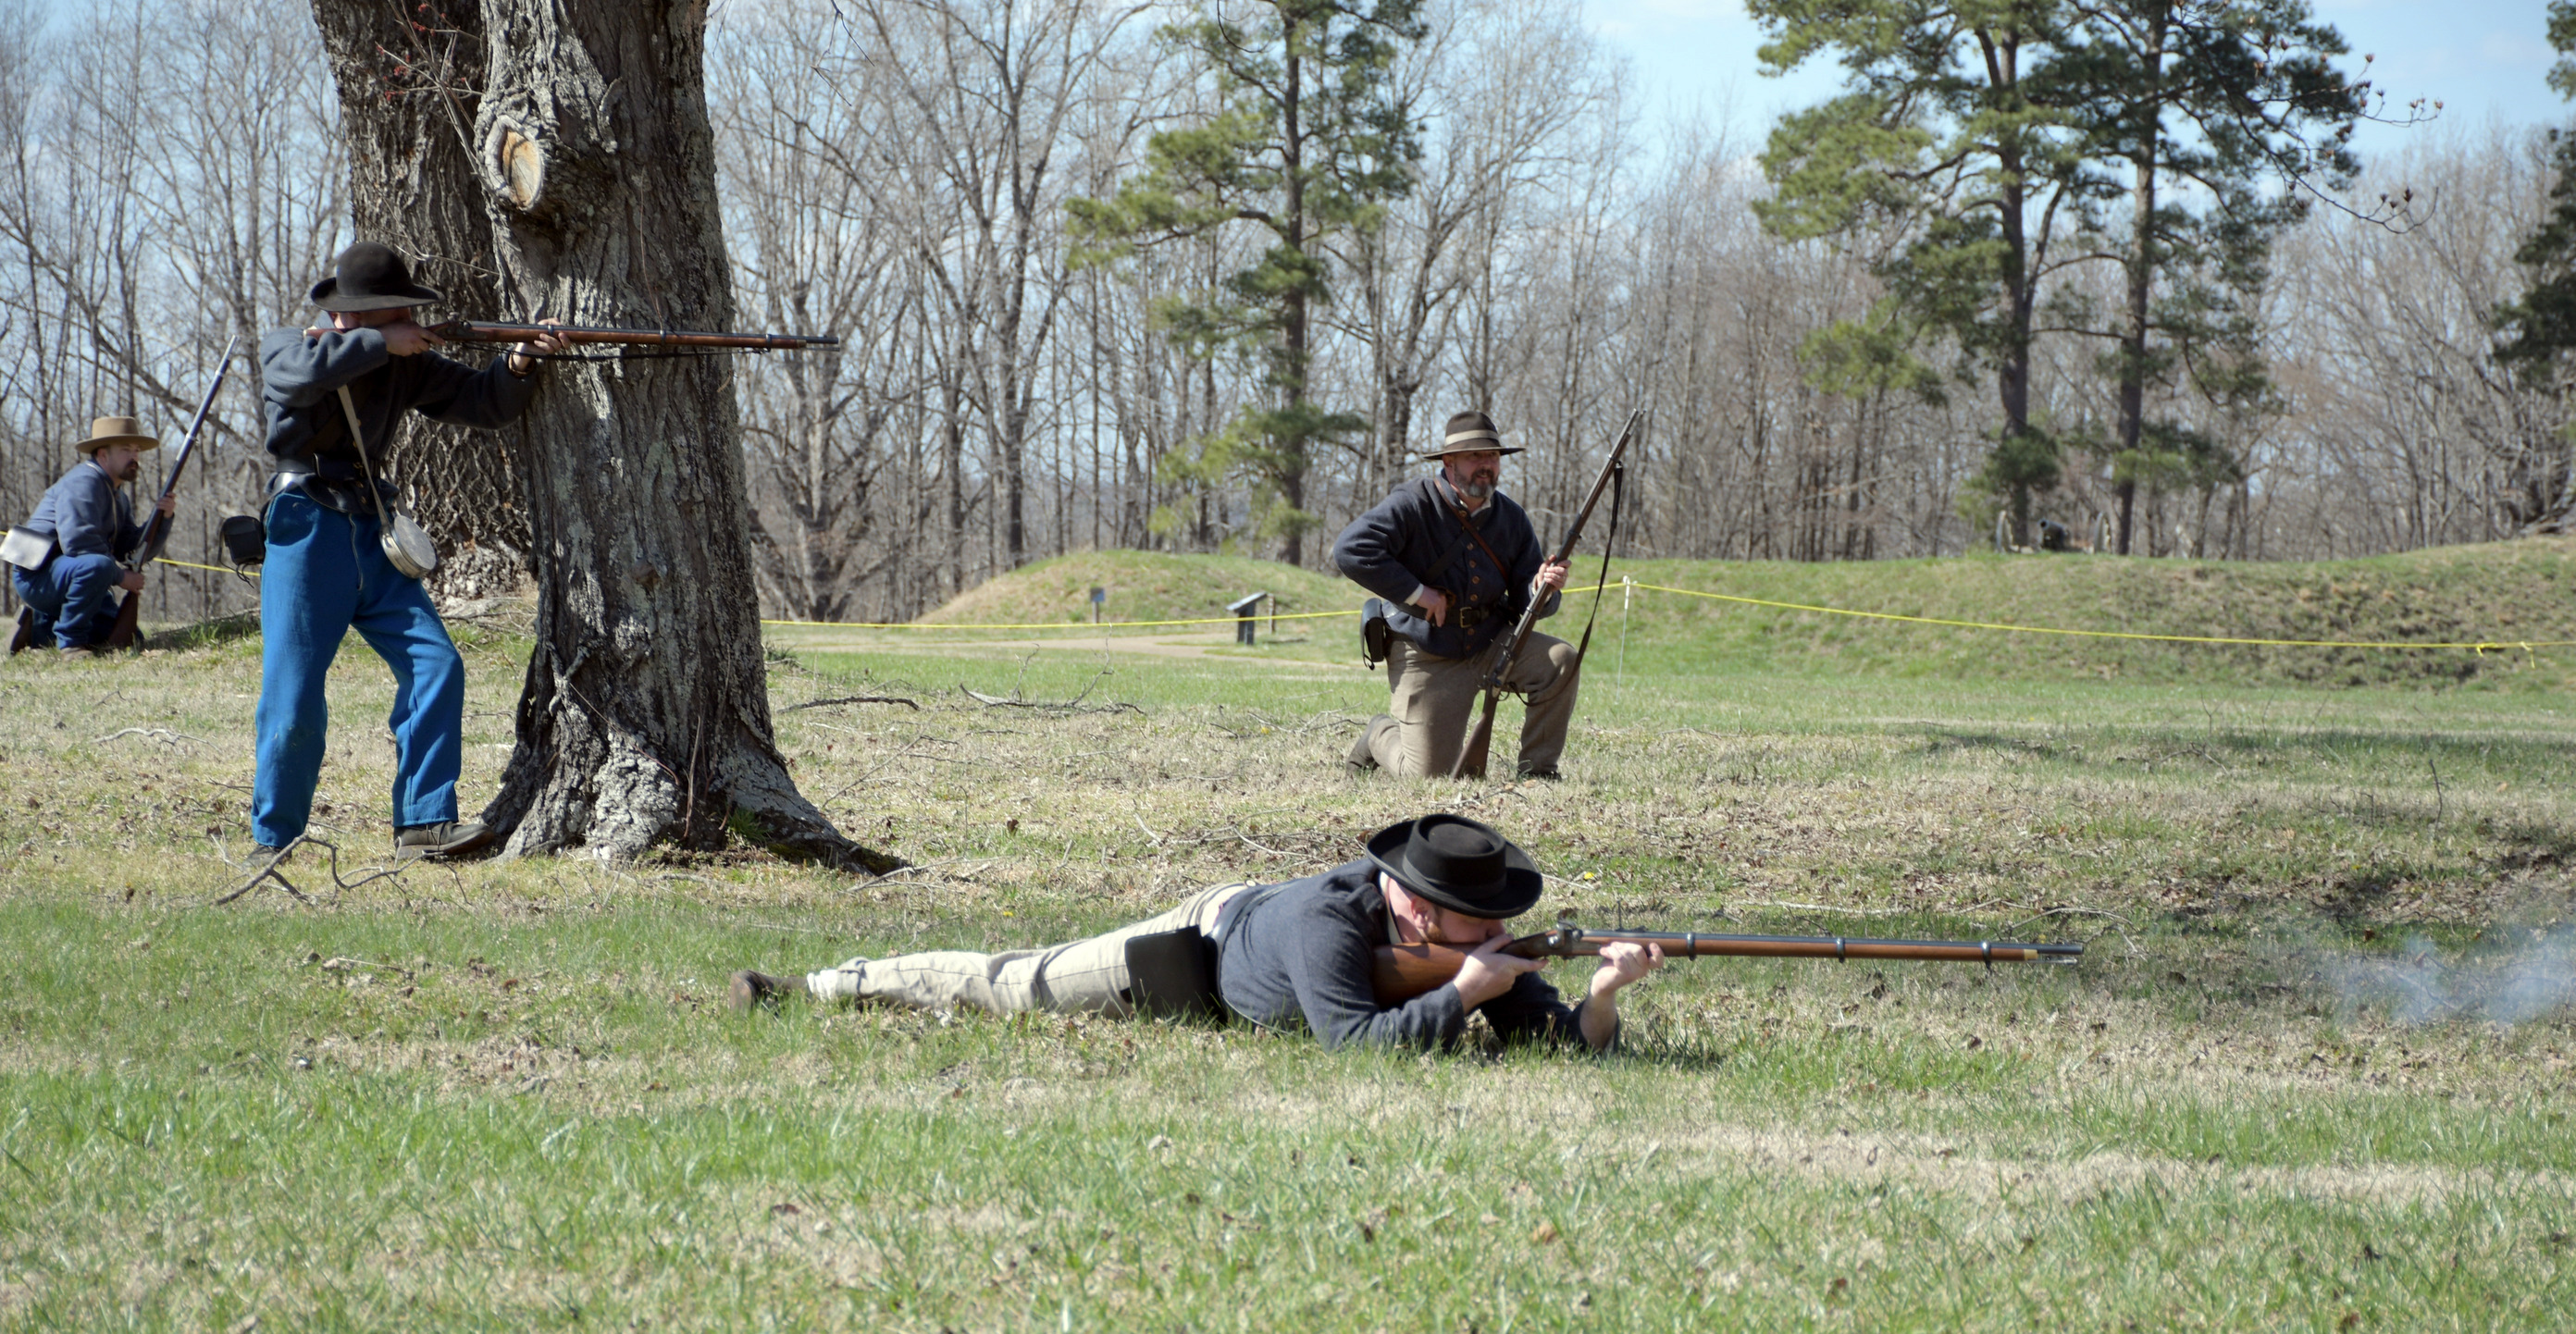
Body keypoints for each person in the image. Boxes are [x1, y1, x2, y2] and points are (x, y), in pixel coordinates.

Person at [730, 813, 1664, 1052]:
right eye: (1482, 919)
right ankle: (819, 985)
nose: (1502, 931)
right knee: (1018, 983)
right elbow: (1355, 1046)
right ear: (1416, 907)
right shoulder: (1327, 922)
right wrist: (1462, 995)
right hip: (1206, 942)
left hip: (1256, 961)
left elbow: (1555, 1042)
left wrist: (1606, 995)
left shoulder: (1471, 940)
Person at [250, 241, 567, 860]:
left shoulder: (406, 365)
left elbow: (485, 403)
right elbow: (297, 379)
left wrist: (523, 360)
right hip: (307, 528)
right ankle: (275, 839)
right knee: (294, 697)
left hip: (372, 529)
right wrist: (381, 345)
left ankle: (423, 824)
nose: (406, 323)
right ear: (355, 316)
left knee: (436, 666)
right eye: (394, 313)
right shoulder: (290, 343)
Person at [1332, 409, 1576, 779]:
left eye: (1492, 456)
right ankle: (1379, 734)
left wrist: (1542, 588)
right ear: (1448, 462)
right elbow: (1350, 550)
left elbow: (1531, 604)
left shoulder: (1511, 517)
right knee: (1429, 777)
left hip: (1491, 643)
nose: (1486, 465)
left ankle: (1539, 771)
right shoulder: (1413, 502)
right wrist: (1418, 594)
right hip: (1426, 652)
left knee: (1561, 659)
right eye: (1474, 456)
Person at [6, 417, 178, 655]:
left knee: (127, 637)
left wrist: (163, 519)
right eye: (125, 450)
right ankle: (71, 644)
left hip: (75, 574)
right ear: (103, 455)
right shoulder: (83, 483)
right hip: (38, 577)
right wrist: (121, 576)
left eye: (136, 450)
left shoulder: (117, 495)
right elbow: (79, 545)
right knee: (97, 565)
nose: (134, 457)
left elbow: (130, 551)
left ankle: (39, 632)